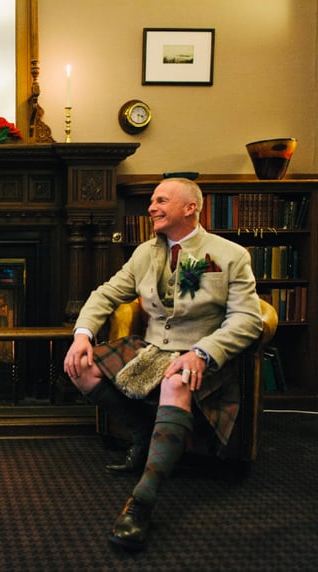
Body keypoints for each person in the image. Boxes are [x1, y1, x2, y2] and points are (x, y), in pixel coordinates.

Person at [63, 177, 262, 550]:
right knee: (80, 367)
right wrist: (82, 335)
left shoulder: (230, 255)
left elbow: (248, 320)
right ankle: (143, 437)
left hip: (202, 353)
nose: (151, 207)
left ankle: (142, 502)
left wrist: (201, 352)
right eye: (152, 201)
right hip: (151, 347)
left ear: (190, 207)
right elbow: (105, 294)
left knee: (176, 380)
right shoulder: (144, 253)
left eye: (161, 200)